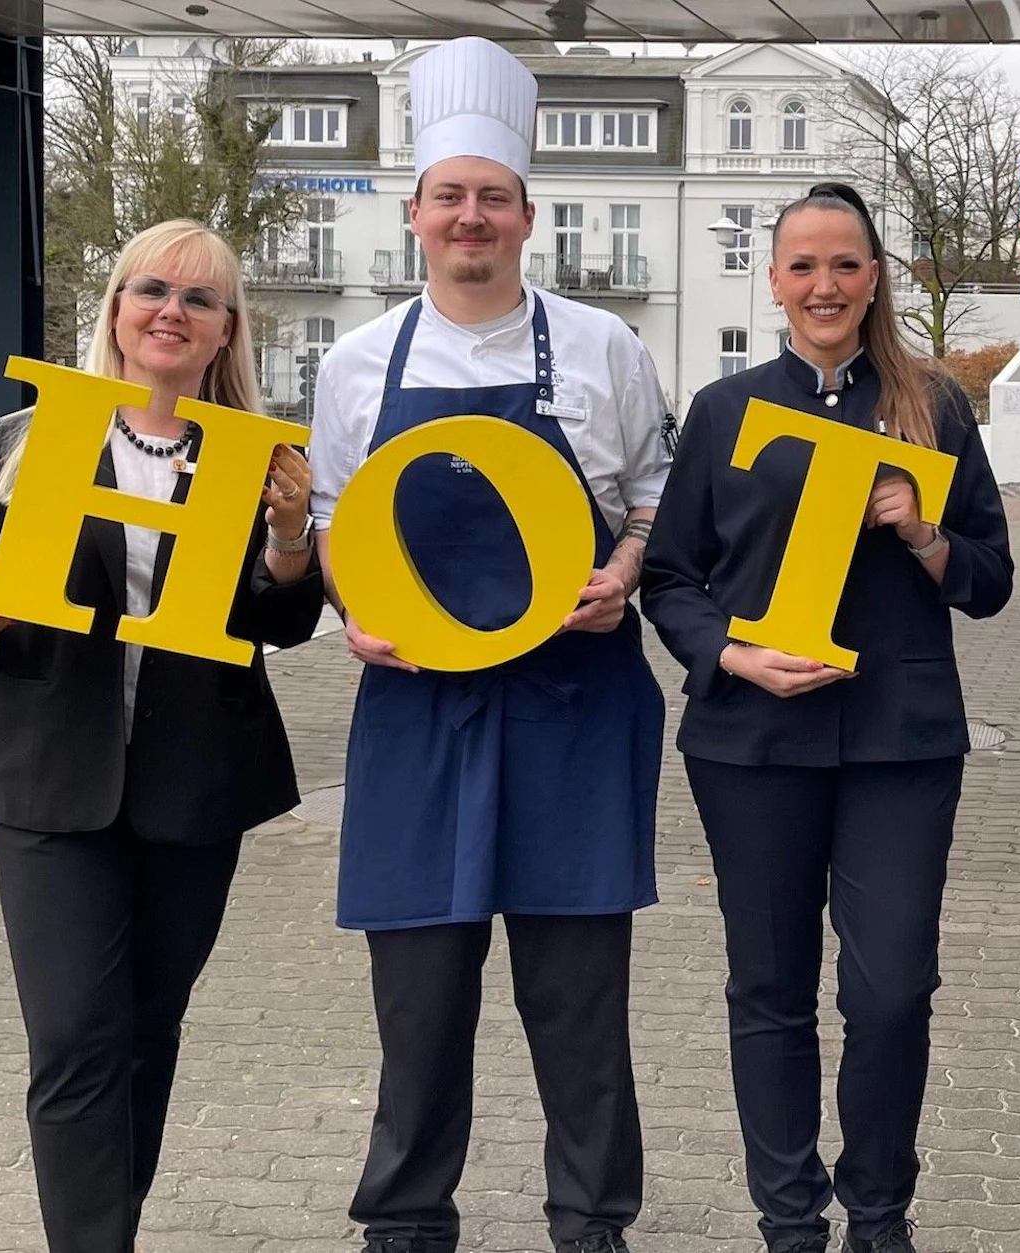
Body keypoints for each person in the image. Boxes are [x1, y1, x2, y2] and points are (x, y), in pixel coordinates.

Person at [306, 37, 673, 1253]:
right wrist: (347, 612)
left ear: (528, 215)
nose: (472, 216)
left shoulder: (603, 349)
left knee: (577, 1002)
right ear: (415, 214)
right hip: (417, 710)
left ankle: (591, 1220)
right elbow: (328, 520)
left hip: (573, 705)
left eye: (493, 197)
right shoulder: (358, 363)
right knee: (418, 1002)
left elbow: (651, 496)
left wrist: (622, 573)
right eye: (450, 195)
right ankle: (405, 1221)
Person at [0, 219, 322, 1253]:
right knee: (72, 1036)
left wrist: (287, 540)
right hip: (50, 776)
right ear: (116, 306)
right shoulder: (32, 440)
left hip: (196, 781)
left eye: (198, 299)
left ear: (226, 328)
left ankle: (113, 1224)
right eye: (152, 289)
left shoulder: (252, 457)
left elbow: (280, 624)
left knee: (146, 1030)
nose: (170, 312)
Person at [641, 182, 1013, 1253]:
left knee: (890, 987)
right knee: (769, 986)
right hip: (750, 745)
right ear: (774, 281)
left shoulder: (933, 407)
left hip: (898, 746)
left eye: (844, 264)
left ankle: (880, 1211)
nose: (823, 285)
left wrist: (923, 529)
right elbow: (670, 579)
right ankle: (789, 1217)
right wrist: (728, 652)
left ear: (874, 275)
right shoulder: (723, 413)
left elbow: (987, 580)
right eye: (802, 265)